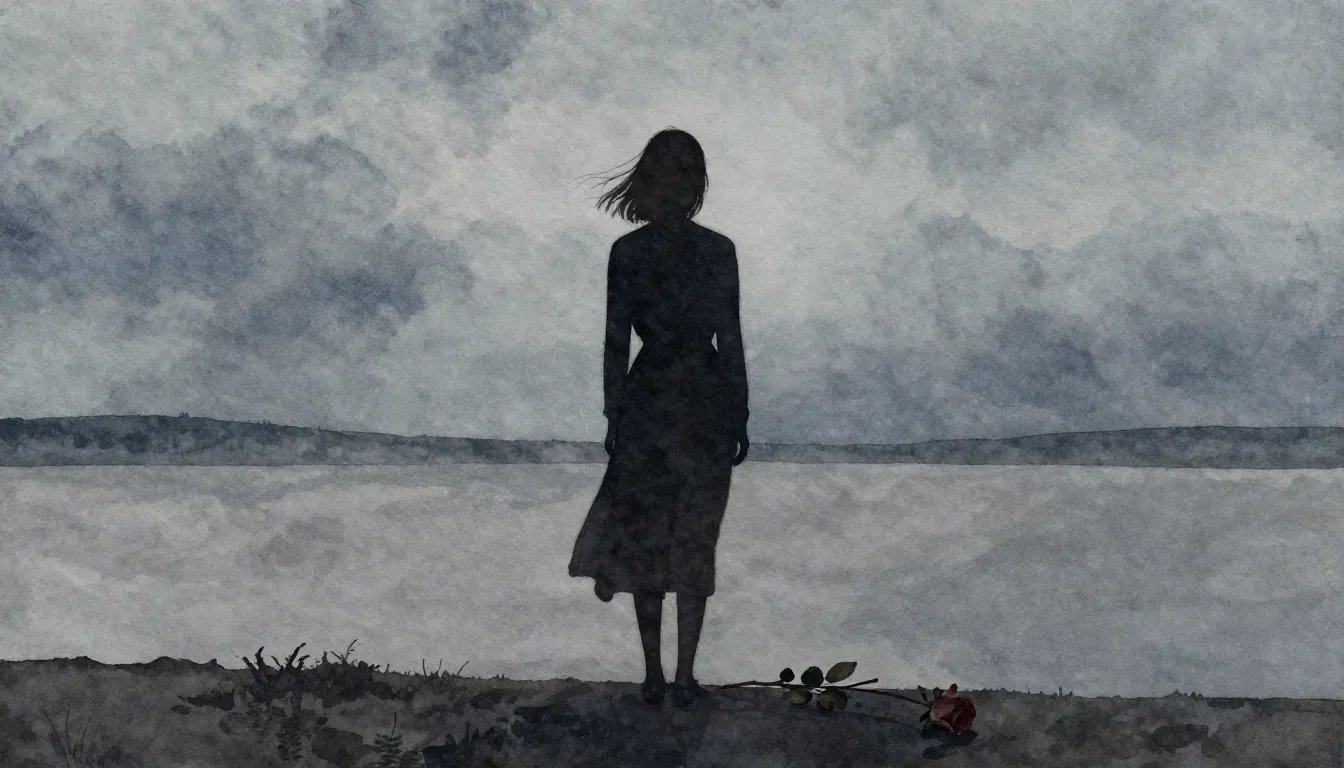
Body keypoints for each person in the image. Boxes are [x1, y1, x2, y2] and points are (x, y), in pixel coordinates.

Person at [568, 128, 750, 709]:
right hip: (703, 399)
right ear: (695, 184)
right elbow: (730, 339)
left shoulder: (629, 252)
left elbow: (616, 342)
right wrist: (740, 413)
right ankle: (682, 677)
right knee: (694, 538)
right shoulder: (717, 250)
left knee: (652, 541)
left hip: (651, 399)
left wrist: (614, 413)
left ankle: (656, 676)